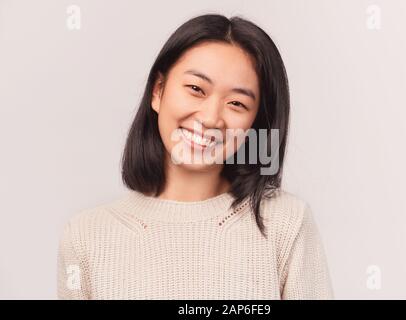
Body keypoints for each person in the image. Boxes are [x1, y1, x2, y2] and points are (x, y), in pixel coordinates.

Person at [57, 13, 334, 300]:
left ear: (256, 122)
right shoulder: (85, 236)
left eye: (237, 103)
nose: (211, 118)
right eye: (196, 89)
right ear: (158, 91)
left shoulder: (286, 222)